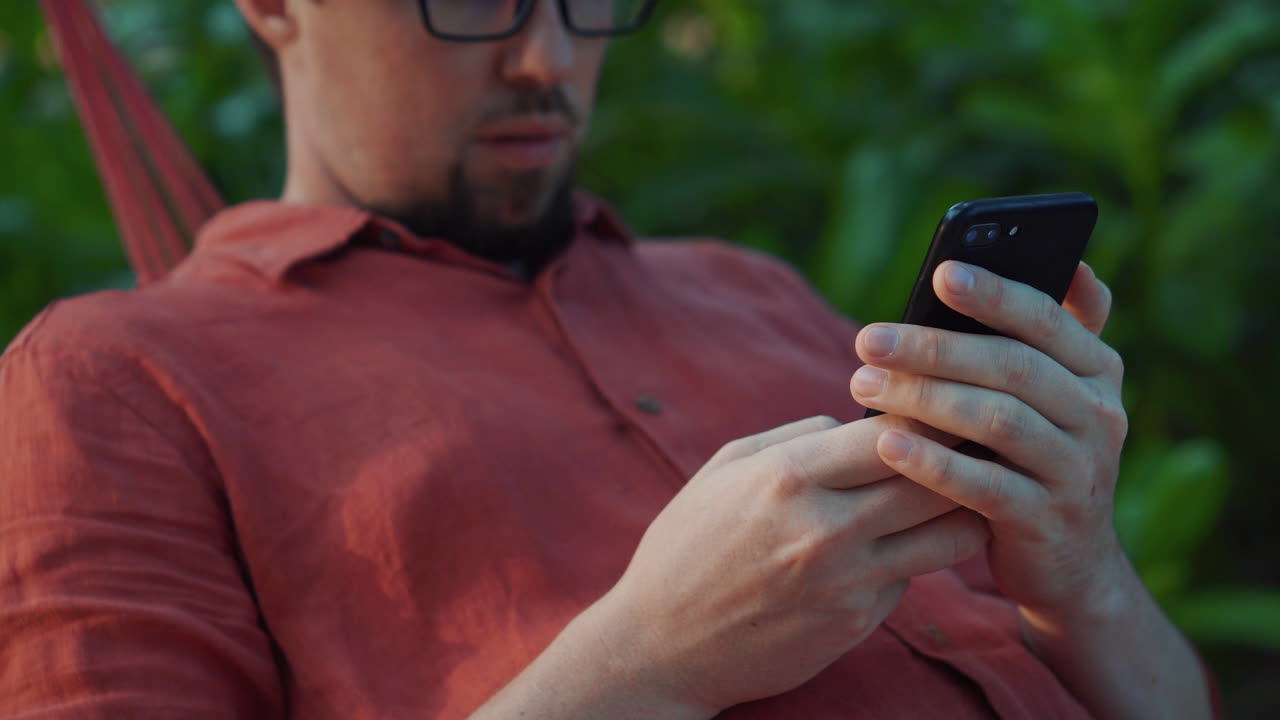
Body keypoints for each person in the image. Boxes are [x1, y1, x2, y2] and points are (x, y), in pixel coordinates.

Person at [0, 1, 1214, 718]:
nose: (547, 59)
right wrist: (647, 667)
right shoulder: (115, 378)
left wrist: (1082, 578)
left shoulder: (748, 289)